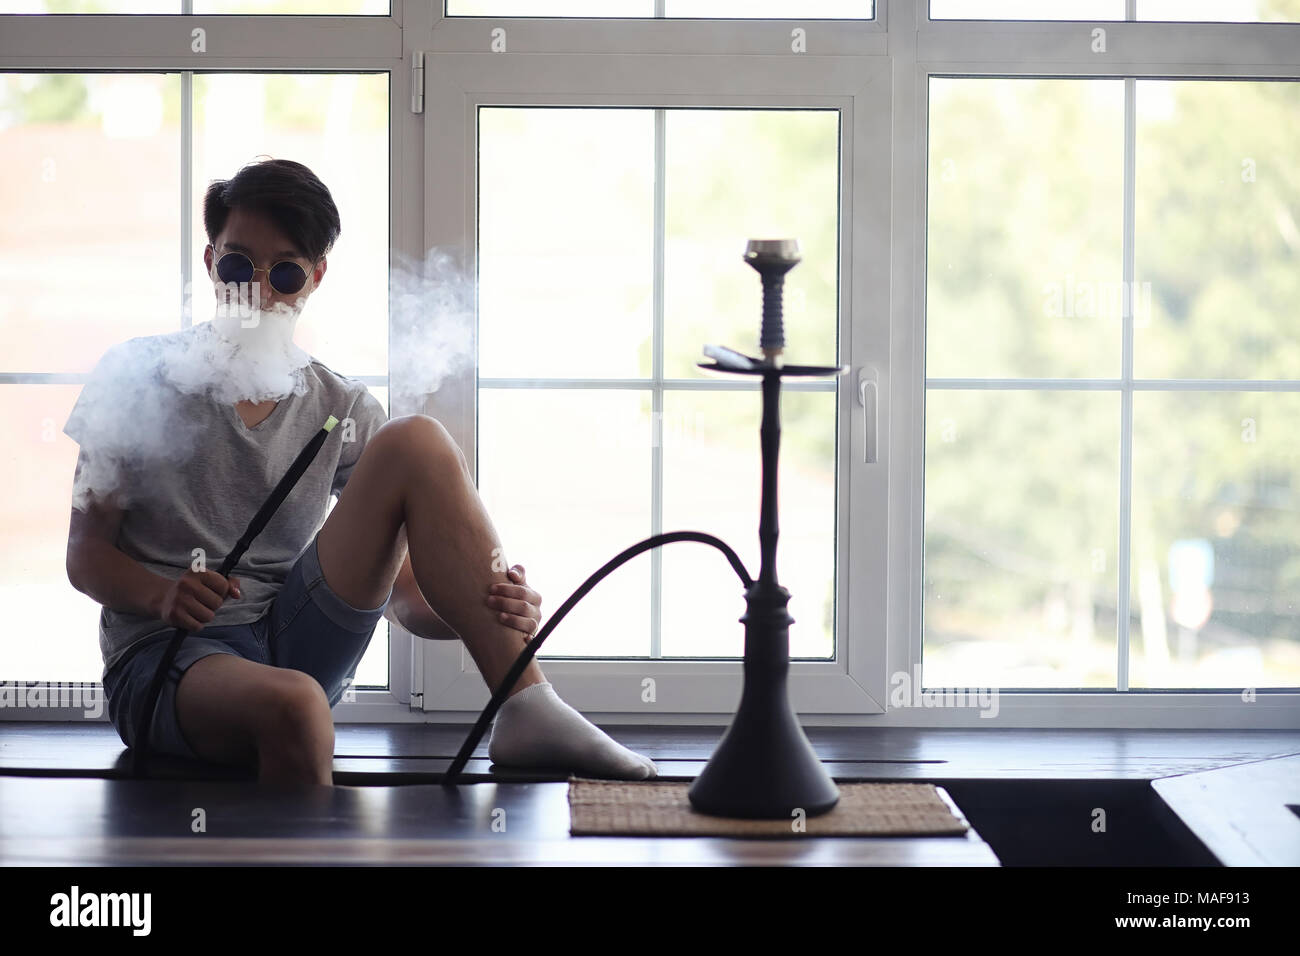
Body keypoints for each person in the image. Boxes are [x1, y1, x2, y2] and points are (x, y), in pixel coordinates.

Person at [63, 157, 657, 786]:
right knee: (297, 706)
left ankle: (526, 703)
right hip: (168, 657)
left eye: (284, 272)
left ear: (314, 278)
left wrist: (494, 610)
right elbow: (84, 555)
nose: (258, 292)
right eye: (238, 266)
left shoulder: (338, 407)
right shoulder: (135, 375)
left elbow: (406, 598)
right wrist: (163, 594)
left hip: (297, 642)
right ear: (211, 262)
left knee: (415, 439)